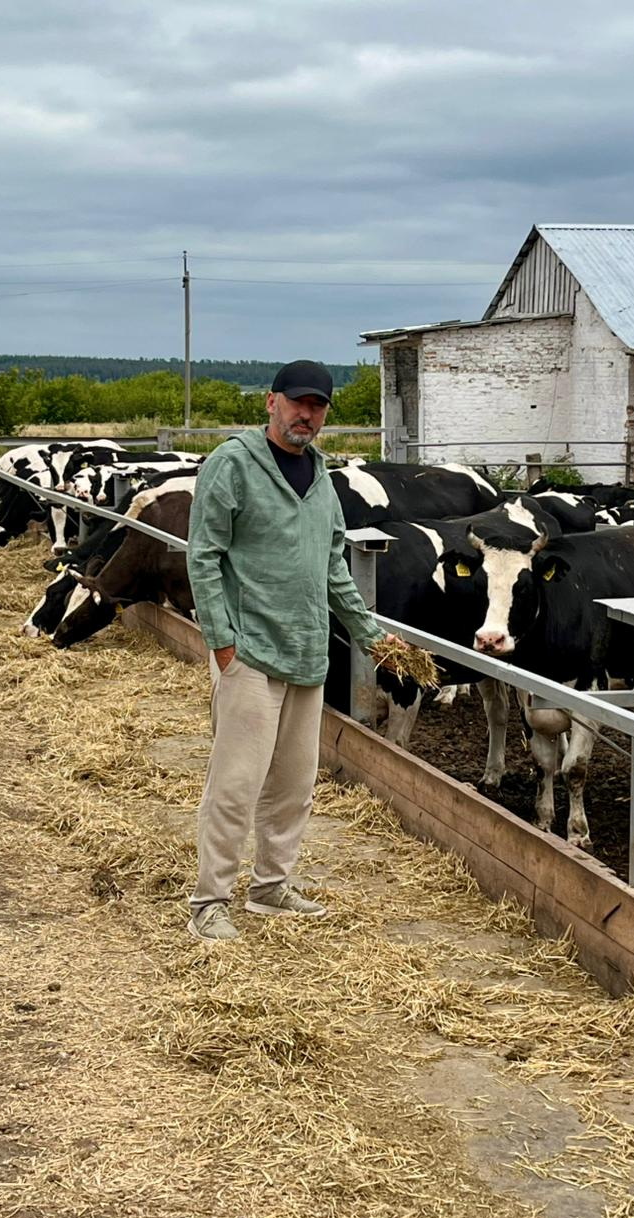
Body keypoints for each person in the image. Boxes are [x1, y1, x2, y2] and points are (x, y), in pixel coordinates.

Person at [185, 359, 392, 942]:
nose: (307, 414)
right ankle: (210, 900)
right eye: (297, 402)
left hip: (307, 651)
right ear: (270, 402)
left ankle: (272, 887)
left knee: (295, 783)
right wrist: (222, 642)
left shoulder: (322, 479)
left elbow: (333, 568)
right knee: (236, 781)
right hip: (249, 651)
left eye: (318, 406)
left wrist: (371, 635)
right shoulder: (233, 465)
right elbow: (203, 556)